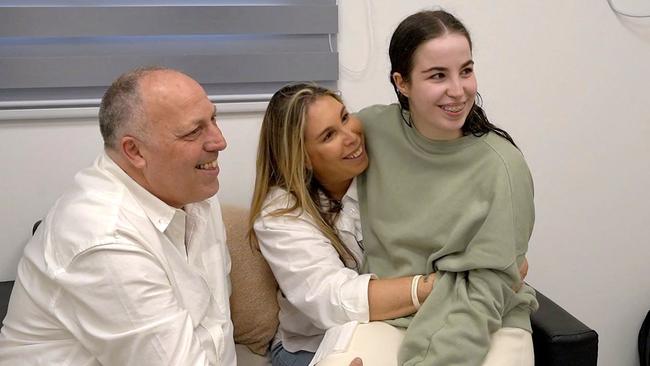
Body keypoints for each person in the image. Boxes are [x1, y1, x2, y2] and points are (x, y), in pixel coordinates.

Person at [0, 67, 236, 365]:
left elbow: (216, 325)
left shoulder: (193, 192)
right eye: (193, 131)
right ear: (134, 151)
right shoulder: (103, 236)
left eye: (213, 118)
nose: (220, 141)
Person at [355, 9, 539, 366]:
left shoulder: (502, 166)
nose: (458, 90)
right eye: (438, 75)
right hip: (392, 314)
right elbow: (301, 168)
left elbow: (489, 289)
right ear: (401, 82)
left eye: (466, 71)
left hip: (489, 319)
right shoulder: (371, 130)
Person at [248, 84, 438, 366]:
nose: (351, 137)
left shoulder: (385, 166)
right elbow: (333, 299)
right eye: (329, 135)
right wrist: (431, 287)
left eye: (345, 117)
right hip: (312, 346)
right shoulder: (280, 215)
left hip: (394, 325)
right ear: (302, 158)